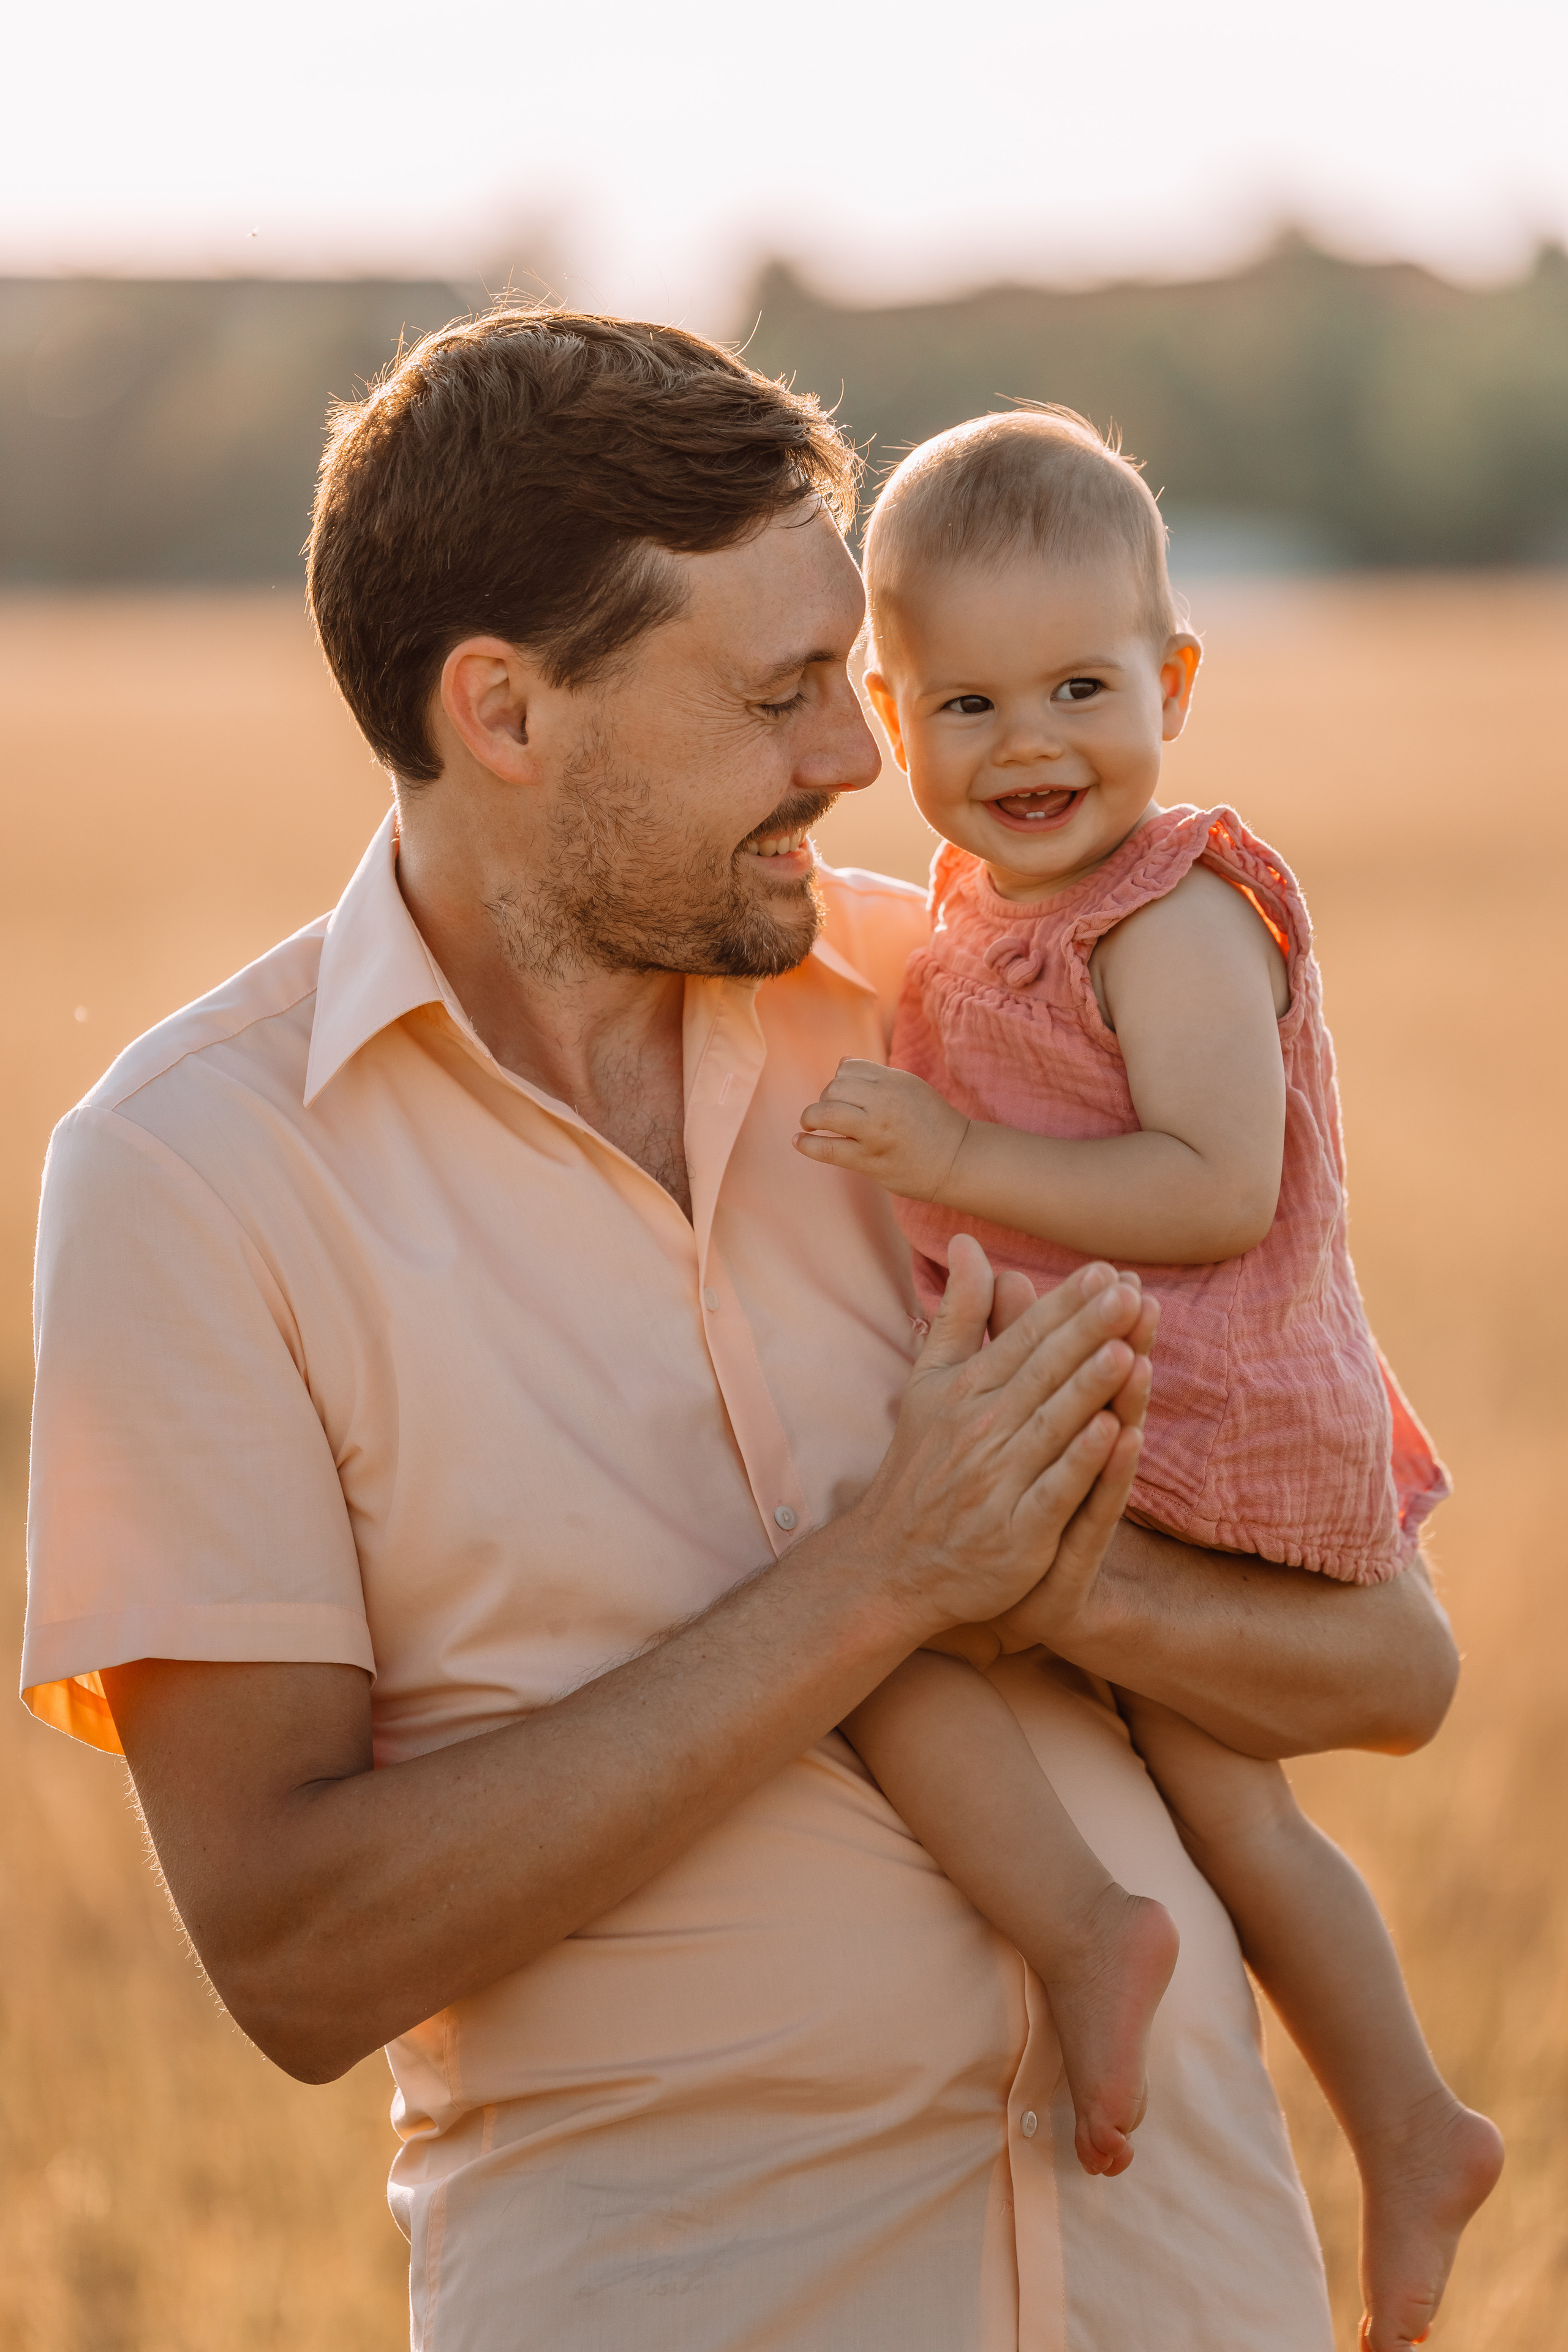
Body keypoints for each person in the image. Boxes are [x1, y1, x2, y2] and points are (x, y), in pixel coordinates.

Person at [22, 311, 1462, 2352]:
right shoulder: (195, 1177)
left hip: (1197, 2297)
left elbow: (1398, 1671)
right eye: (783, 695)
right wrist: (884, 1580)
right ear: (506, 711)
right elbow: (295, 1955)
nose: (860, 761)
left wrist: (1059, 1592)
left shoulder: (973, 1011)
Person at [794, 409, 1502, 2352]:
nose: (1029, 744)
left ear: (1174, 684)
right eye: (969, 704)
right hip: (1111, 1402)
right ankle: (1403, 2117)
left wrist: (954, 1164)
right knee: (1229, 1809)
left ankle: (1093, 1934)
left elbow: (1216, 1186)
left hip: (1198, 1415)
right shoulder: (975, 913)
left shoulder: (1173, 910)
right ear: (891, 713)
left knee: (877, 1626)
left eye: (1083, 690)